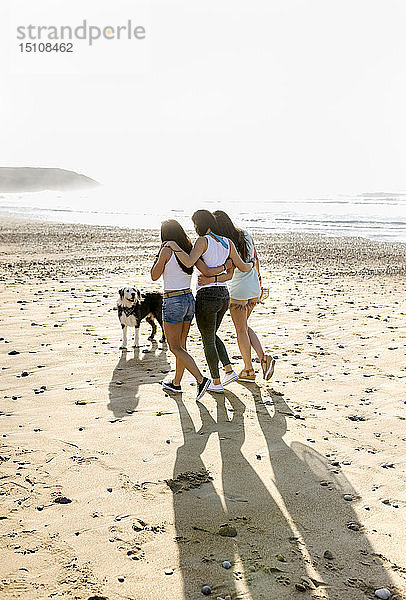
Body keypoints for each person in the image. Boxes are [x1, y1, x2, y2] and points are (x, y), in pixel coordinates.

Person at [164, 210, 253, 392]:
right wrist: (251, 264)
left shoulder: (202, 241)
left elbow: (190, 263)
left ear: (202, 223)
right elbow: (240, 268)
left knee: (208, 340)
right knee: (211, 335)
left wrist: (174, 246)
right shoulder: (227, 242)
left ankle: (216, 382)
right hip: (223, 295)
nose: (195, 228)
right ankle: (228, 370)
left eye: (195, 223)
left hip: (207, 296)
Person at [198, 210, 275, 382]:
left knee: (240, 329)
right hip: (254, 287)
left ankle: (248, 370)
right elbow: (255, 259)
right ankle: (263, 358)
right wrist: (259, 281)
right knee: (244, 326)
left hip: (238, 290)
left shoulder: (225, 242)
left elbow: (233, 267)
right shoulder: (245, 234)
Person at [151, 219, 213, 401]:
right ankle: (176, 384)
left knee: (174, 347)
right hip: (188, 298)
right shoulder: (187, 249)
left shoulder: (166, 250)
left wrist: (159, 255)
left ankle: (201, 380)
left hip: (173, 300)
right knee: (182, 346)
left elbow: (154, 276)